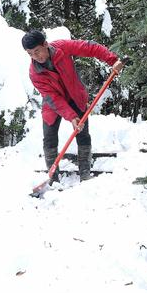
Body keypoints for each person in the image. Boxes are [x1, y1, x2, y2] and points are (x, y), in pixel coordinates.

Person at [23, 29, 123, 181]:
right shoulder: (34, 72)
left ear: (45, 44)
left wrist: (112, 60)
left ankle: (85, 171)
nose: (35, 57)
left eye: (37, 51)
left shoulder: (62, 47)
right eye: (30, 54)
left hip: (76, 97)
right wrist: (71, 116)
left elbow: (89, 47)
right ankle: (52, 177)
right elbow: (52, 97)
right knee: (49, 138)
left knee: (82, 133)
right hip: (53, 105)